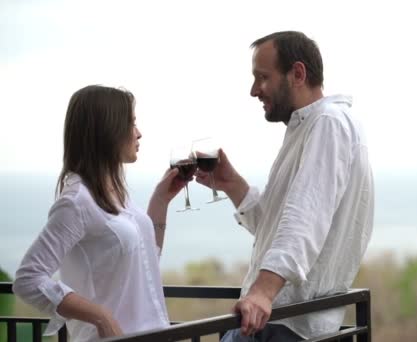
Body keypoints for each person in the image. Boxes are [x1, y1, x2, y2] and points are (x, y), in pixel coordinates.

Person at [195, 31, 374, 341]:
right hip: (278, 321)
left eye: (262, 77)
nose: (254, 90)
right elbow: (277, 225)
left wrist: (263, 292)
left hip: (283, 324)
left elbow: (306, 218)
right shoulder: (310, 127)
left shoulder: (327, 123)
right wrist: (232, 184)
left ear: (298, 74)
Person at [13, 85, 186, 342]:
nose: (138, 133)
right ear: (107, 131)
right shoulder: (76, 201)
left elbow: (146, 257)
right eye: (131, 123)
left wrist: (161, 200)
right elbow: (28, 279)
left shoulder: (116, 193)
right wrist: (100, 316)